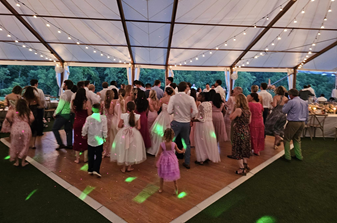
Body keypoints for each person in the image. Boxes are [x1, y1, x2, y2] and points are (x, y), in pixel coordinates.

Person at [168, 82, 198, 169]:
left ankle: (170, 161)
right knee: (186, 143)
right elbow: (195, 112)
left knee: (171, 141)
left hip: (176, 121)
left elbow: (169, 111)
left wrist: (176, 112)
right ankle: (187, 162)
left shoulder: (173, 97)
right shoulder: (190, 98)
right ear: (186, 88)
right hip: (186, 123)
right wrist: (190, 116)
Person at [111, 101, 146, 172]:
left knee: (124, 148)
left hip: (124, 133)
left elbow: (119, 125)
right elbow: (139, 127)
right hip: (134, 133)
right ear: (134, 108)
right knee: (132, 149)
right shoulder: (137, 116)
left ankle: (124, 167)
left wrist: (124, 125)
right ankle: (129, 166)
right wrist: (134, 126)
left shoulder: (123, 115)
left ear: (126, 107)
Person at [193, 92, 221, 165]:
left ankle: (202, 158)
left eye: (199, 96)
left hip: (202, 125)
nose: (198, 97)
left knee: (201, 140)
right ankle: (208, 156)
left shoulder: (201, 105)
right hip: (209, 124)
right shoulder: (209, 104)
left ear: (203, 97)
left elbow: (202, 118)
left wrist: (192, 120)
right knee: (208, 140)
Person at [5, 99, 34, 167]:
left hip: (15, 128)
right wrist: (28, 122)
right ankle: (23, 161)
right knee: (25, 144)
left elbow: (7, 116)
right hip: (26, 128)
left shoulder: (13, 110)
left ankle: (17, 162)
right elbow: (32, 118)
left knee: (15, 144)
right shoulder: (28, 111)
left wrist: (12, 121)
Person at [282, 89, 308, 161]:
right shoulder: (304, 102)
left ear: (290, 95)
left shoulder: (291, 102)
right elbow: (307, 113)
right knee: (297, 139)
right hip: (302, 122)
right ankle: (299, 155)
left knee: (287, 138)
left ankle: (287, 156)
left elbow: (284, 111)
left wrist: (285, 104)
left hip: (293, 122)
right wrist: (306, 122)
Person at [82, 103, 107, 178]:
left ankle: (90, 169)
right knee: (98, 155)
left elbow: (85, 127)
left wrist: (83, 134)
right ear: (100, 109)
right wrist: (105, 136)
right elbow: (104, 128)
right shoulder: (103, 118)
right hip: (99, 139)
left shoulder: (89, 118)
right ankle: (96, 169)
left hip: (91, 139)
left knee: (91, 154)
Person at [156, 128, 184, 194]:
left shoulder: (162, 144)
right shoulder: (174, 144)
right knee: (173, 174)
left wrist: (156, 160)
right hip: (172, 160)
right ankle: (176, 188)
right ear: (172, 136)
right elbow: (179, 151)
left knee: (162, 174)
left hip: (164, 160)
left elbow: (159, 153)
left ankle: (161, 188)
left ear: (164, 135)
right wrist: (183, 150)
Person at [230, 93, 251, 175]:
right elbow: (249, 122)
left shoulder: (238, 110)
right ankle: (245, 164)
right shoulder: (248, 111)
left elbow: (231, 117)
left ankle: (241, 168)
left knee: (238, 150)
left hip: (239, 132)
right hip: (246, 131)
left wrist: (233, 109)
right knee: (245, 148)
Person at [148, 87, 174, 156]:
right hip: (170, 116)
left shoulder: (162, 99)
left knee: (159, 132)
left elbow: (157, 108)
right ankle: (169, 149)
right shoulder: (173, 99)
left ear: (166, 92)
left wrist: (153, 105)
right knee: (169, 131)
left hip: (162, 116)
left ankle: (157, 149)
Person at [72, 88, 92, 163]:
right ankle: (85, 158)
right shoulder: (87, 102)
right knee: (85, 139)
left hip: (77, 122)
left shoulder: (74, 102)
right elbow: (89, 113)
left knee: (77, 139)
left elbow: (73, 111)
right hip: (85, 122)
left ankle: (77, 158)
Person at [52, 80, 74, 150]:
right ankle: (69, 144)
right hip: (70, 114)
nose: (63, 86)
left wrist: (55, 113)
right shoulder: (73, 94)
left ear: (66, 86)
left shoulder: (64, 94)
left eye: (64, 84)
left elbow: (60, 106)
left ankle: (60, 143)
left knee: (55, 128)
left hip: (63, 114)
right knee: (68, 129)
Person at [101, 90, 115, 158]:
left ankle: (104, 151)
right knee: (110, 136)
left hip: (103, 119)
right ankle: (109, 151)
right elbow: (110, 112)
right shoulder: (112, 103)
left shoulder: (102, 102)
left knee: (104, 136)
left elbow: (101, 112)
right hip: (110, 120)